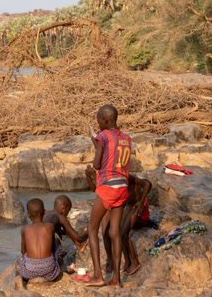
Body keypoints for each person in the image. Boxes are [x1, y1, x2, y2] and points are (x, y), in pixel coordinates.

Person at [85, 104, 132, 288]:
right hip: (122, 186)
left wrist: (96, 142)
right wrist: (97, 144)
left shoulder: (103, 136)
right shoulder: (126, 138)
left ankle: (98, 275)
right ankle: (116, 280)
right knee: (115, 232)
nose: (98, 125)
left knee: (92, 227)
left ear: (105, 120)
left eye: (98, 121)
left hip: (108, 186)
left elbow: (97, 165)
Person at [86, 166, 151, 275]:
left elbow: (147, 184)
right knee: (113, 233)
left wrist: (141, 201)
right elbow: (96, 189)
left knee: (122, 233)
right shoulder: (108, 177)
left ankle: (135, 262)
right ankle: (125, 262)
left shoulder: (126, 177)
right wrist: (91, 176)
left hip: (135, 206)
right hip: (127, 205)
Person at [20, 198, 61, 281]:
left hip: (30, 272)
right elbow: (53, 248)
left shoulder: (25, 229)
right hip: (49, 271)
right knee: (57, 245)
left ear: (28, 215)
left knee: (23, 258)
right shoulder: (50, 226)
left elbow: (23, 252)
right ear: (44, 212)